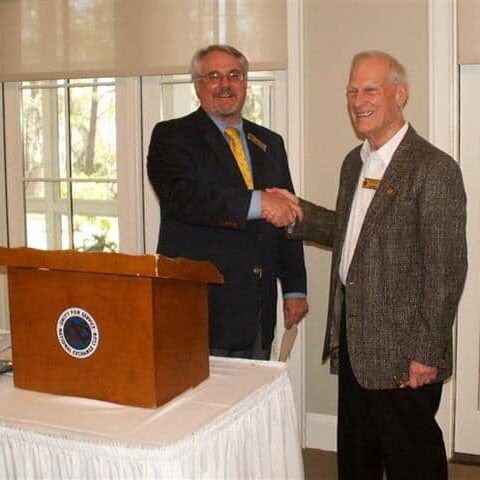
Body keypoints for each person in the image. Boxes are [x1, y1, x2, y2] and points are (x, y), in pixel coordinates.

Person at [272, 51, 467, 479]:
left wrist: (427, 351)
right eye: (352, 91)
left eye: (370, 89)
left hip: (405, 351)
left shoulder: (433, 169)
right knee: (357, 456)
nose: (358, 100)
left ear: (400, 93)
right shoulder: (353, 163)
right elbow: (351, 234)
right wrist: (298, 212)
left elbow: (446, 270)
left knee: (411, 459)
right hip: (355, 341)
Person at [147, 44, 308, 360]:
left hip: (259, 311)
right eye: (213, 76)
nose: (225, 84)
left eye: (234, 75)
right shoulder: (172, 136)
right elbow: (183, 198)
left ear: (245, 82)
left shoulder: (270, 143)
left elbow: (286, 215)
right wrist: (257, 201)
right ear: (197, 85)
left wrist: (294, 289)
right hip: (202, 309)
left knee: (253, 403)